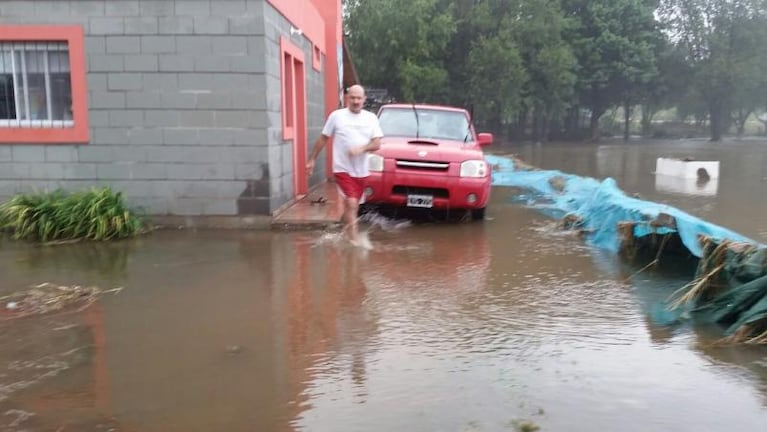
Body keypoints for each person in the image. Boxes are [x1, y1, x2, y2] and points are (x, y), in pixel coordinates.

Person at [306, 85, 383, 245]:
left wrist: (361, 148)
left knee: (351, 206)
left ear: (364, 100)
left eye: (358, 98)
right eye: (352, 97)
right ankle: (354, 243)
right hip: (342, 169)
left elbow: (376, 144)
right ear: (346, 98)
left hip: (361, 171)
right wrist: (312, 159)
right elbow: (323, 138)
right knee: (352, 203)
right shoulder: (337, 116)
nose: (355, 101)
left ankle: (342, 225)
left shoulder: (371, 118)